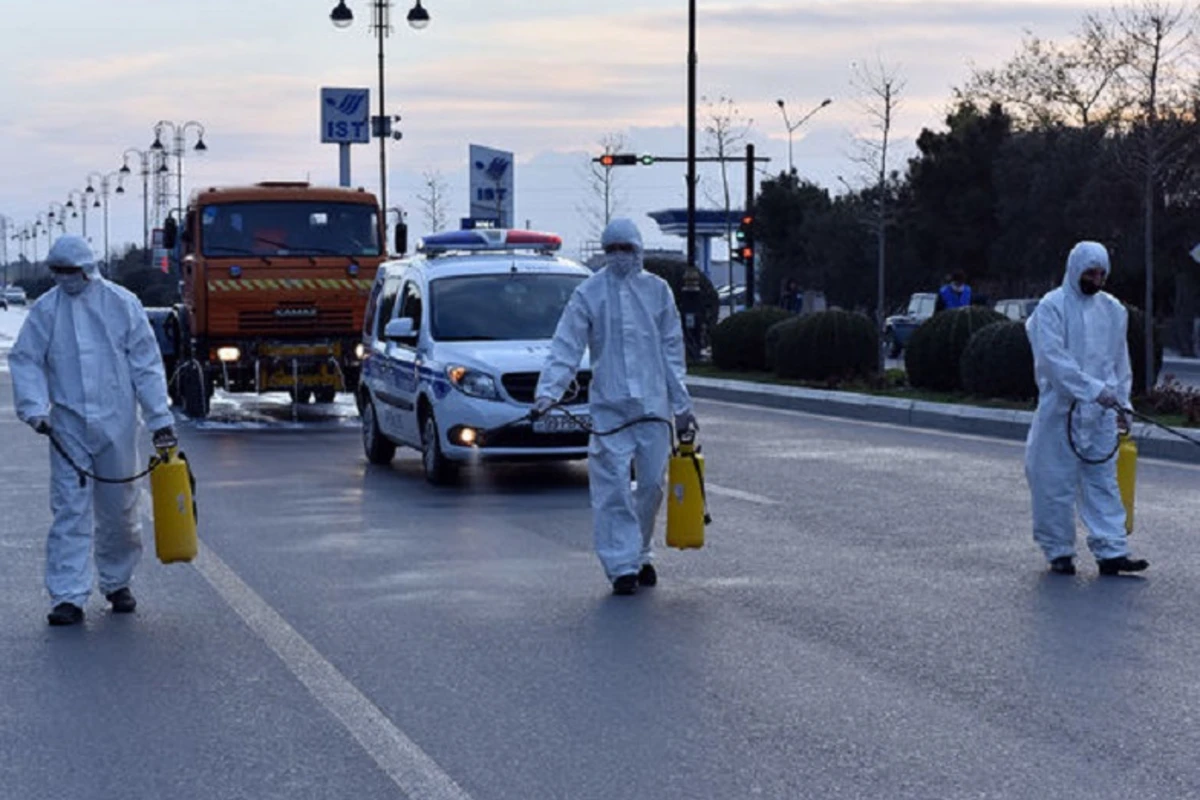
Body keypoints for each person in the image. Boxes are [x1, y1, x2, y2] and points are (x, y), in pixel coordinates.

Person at [10, 236, 178, 626]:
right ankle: (67, 596)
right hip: (67, 426)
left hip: (116, 423)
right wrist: (35, 410)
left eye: (70, 272)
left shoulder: (121, 304)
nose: (64, 279)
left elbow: (146, 365)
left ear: (87, 269)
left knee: (119, 508)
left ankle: (117, 582)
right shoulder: (47, 310)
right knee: (69, 511)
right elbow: (26, 359)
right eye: (58, 272)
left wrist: (160, 421)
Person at [534, 218, 697, 595]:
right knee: (613, 489)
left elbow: (672, 351)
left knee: (653, 485)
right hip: (609, 409)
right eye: (613, 249)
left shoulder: (658, 292)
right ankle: (621, 566)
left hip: (653, 408)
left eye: (627, 248)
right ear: (605, 253)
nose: (620, 256)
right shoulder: (589, 294)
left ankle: (640, 552)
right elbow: (566, 346)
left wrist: (682, 406)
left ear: (639, 249)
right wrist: (548, 392)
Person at [1024, 241, 1148, 577]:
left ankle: (1112, 551)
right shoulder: (1052, 308)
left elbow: (1119, 362)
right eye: (1090, 273)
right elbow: (1053, 361)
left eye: (1102, 274)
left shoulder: (1113, 310)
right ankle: (1059, 551)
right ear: (1075, 269)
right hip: (1061, 411)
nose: (1096, 280)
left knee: (1103, 481)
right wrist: (1092, 390)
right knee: (1053, 480)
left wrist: (1123, 403)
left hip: (1103, 412)